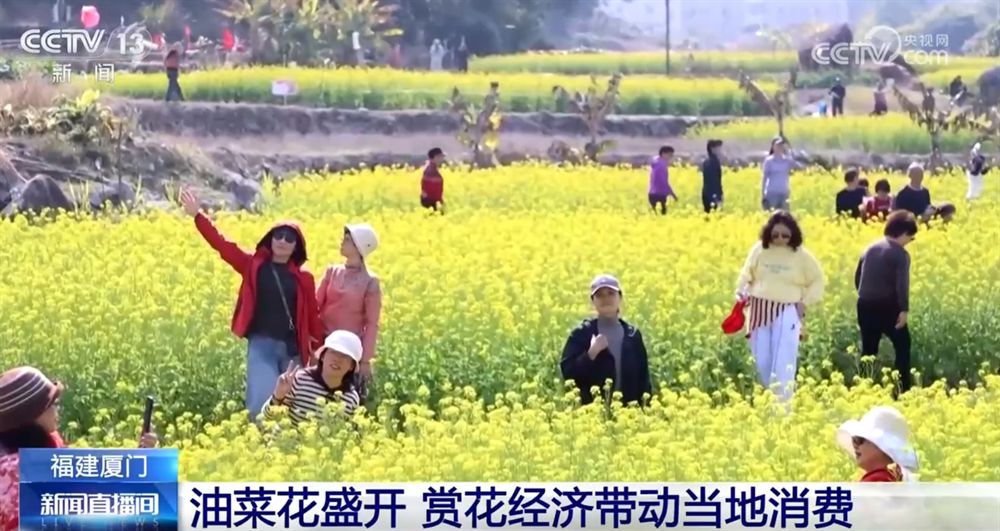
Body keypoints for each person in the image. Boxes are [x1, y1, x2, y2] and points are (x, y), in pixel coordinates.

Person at [179, 188, 324, 420]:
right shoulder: (253, 265)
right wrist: (198, 216)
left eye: (290, 239)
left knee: (295, 404)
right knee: (260, 402)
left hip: (293, 349)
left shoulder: (304, 278)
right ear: (270, 239)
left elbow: (313, 316)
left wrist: (320, 351)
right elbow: (222, 245)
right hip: (262, 345)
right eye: (278, 236)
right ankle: (259, 437)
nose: (283, 241)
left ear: (296, 247)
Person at [0, 367, 159, 529]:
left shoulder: (47, 447)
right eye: (52, 403)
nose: (58, 408)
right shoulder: (16, 475)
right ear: (32, 414)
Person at [736, 211, 825, 404]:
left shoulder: (801, 255)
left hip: (787, 310)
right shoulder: (759, 250)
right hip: (759, 309)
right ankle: (766, 402)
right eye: (775, 235)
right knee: (762, 361)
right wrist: (740, 291)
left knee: (784, 360)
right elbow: (746, 274)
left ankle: (783, 409)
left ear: (793, 234)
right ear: (768, 233)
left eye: (785, 235)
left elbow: (818, 280)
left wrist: (805, 302)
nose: (780, 239)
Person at [559, 274, 652, 407]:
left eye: (610, 293)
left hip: (629, 411)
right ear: (593, 301)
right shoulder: (581, 334)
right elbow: (568, 373)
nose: (605, 299)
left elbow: (644, 379)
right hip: (592, 412)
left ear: (620, 297)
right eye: (599, 295)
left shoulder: (632, 336)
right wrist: (591, 354)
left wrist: (645, 409)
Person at [316, 224, 382, 402]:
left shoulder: (370, 282)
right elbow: (315, 305)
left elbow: (372, 323)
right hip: (324, 343)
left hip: (350, 350)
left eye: (347, 240)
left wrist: (365, 360)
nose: (342, 242)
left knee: (345, 397)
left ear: (359, 246)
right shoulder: (332, 271)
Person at [855, 211, 918, 396]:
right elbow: (902, 284)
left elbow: (858, 277)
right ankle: (902, 390)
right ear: (903, 233)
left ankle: (863, 389)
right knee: (903, 346)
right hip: (888, 306)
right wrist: (904, 310)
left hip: (864, 304)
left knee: (868, 350)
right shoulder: (900, 254)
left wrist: (864, 294)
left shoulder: (869, 248)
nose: (909, 241)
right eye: (911, 237)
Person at [262, 330, 363, 425]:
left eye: (345, 356)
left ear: (352, 366)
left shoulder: (351, 398)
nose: (337, 359)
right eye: (333, 352)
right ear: (323, 356)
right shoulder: (299, 380)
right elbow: (266, 418)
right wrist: (278, 396)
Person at [836, 406, 919, 482]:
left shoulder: (878, 479)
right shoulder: (898, 476)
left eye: (860, 440)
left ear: (882, 446)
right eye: (854, 440)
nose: (855, 445)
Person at [761, 136, 803, 211]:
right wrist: (763, 194)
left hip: (784, 193)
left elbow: (799, 167)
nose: (779, 147)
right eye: (777, 145)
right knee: (772, 214)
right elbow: (765, 177)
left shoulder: (787, 160)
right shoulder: (769, 161)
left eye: (781, 145)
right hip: (772, 193)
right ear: (773, 147)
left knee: (785, 215)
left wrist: (789, 151)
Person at [648, 146, 677, 215]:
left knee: (654, 216)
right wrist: (672, 194)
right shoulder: (661, 165)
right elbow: (663, 182)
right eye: (669, 155)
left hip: (652, 193)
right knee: (661, 215)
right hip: (660, 194)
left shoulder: (656, 162)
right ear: (663, 154)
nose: (670, 158)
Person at [701, 139, 724, 213]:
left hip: (706, 194)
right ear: (712, 149)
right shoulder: (714, 162)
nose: (720, 151)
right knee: (716, 216)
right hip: (713, 195)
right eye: (718, 148)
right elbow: (715, 181)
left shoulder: (706, 162)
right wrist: (718, 196)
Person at [421, 147, 446, 213]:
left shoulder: (431, 168)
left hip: (432, 201)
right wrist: (439, 201)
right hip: (431, 202)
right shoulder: (431, 170)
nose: (442, 159)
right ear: (436, 157)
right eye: (440, 156)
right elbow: (430, 188)